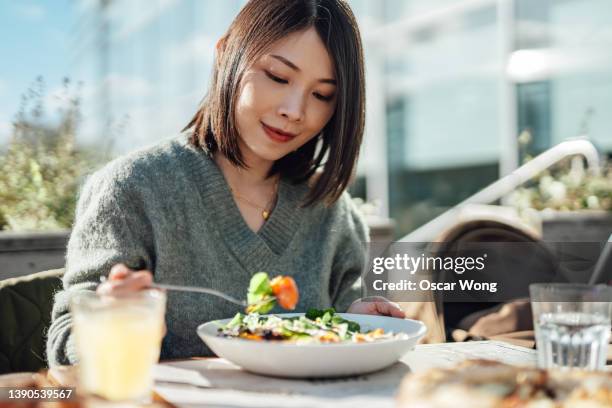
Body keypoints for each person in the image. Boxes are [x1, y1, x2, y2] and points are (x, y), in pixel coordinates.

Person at [47, 0, 404, 366]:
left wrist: (357, 320)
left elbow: (339, 332)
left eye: (322, 95)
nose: (294, 111)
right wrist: (111, 325)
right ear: (224, 55)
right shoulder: (132, 189)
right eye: (278, 77)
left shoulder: (330, 211)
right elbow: (65, 347)